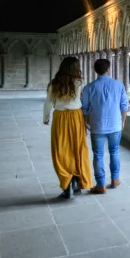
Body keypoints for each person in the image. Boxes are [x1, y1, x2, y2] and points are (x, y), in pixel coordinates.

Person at [43, 56, 93, 199]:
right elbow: (82, 102)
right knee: (77, 149)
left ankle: (66, 184)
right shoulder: (79, 83)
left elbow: (48, 103)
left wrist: (45, 118)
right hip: (76, 117)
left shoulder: (54, 84)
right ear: (76, 68)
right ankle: (76, 180)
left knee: (61, 151)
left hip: (60, 118)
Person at [81, 58, 129, 194]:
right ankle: (115, 179)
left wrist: (84, 123)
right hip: (115, 125)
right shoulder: (118, 85)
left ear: (96, 71)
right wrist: (123, 121)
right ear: (108, 69)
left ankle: (100, 184)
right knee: (114, 151)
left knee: (98, 155)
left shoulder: (89, 87)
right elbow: (124, 105)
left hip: (97, 126)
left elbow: (84, 108)